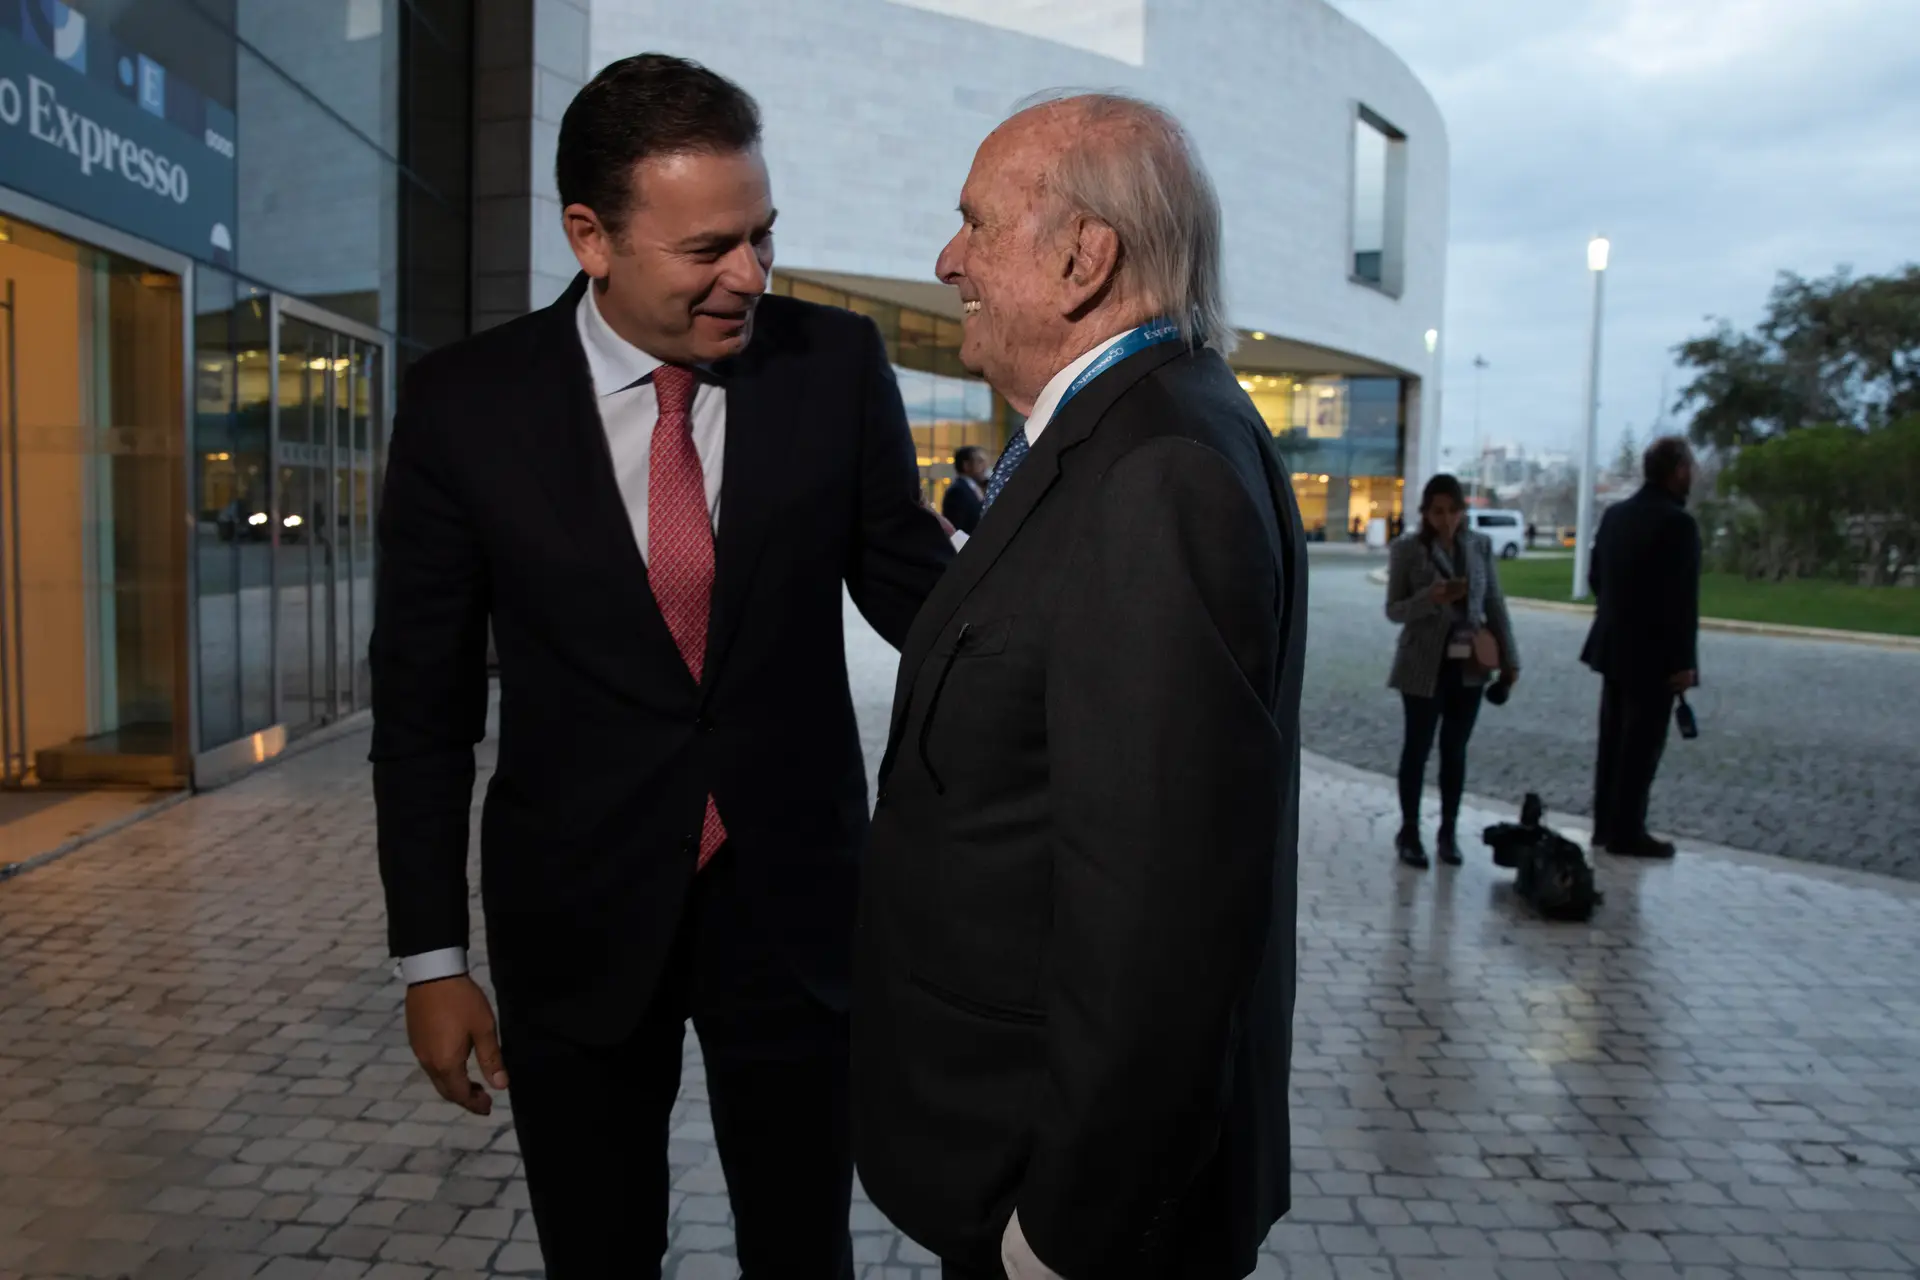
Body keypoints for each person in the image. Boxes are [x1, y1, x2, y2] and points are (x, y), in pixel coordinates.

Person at [369, 54, 952, 1279]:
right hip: (574, 917)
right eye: (707, 248)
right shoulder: (464, 406)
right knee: (600, 1251)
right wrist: (432, 959)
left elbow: (926, 600)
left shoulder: (835, 366)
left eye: (762, 234)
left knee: (805, 1249)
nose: (751, 274)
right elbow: (421, 706)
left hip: (795, 909)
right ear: (591, 237)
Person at [851, 93, 1306, 1280]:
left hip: (1065, 1207)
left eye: (975, 222)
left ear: (1083, 257)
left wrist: (1063, 1229)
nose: (946, 259)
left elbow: (1162, 909)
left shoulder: (1156, 469)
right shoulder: (1122, 431)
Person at [1384, 474, 1520, 868]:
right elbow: (1394, 610)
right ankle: (1410, 830)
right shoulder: (1408, 549)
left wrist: (1510, 660)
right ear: (1425, 513)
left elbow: (1494, 603)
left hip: (1469, 664)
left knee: (1455, 750)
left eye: (1453, 511)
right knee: (1417, 748)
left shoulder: (1479, 546)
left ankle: (1448, 831)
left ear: (1463, 511)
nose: (1446, 520)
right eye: (1438, 512)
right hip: (1422, 664)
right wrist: (1430, 598)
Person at [1581, 435, 1701, 859]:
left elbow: (1597, 578)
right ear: (1678, 470)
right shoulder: (1679, 525)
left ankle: (1605, 825)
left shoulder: (1615, 516)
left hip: (1614, 646)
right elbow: (1682, 600)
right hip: (1654, 654)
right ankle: (1628, 831)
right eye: (1690, 467)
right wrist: (1684, 663)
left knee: (1612, 741)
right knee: (1642, 746)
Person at [943, 444, 991, 534]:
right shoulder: (958, 491)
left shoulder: (975, 489)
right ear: (966, 465)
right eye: (980, 462)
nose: (985, 467)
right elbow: (956, 529)